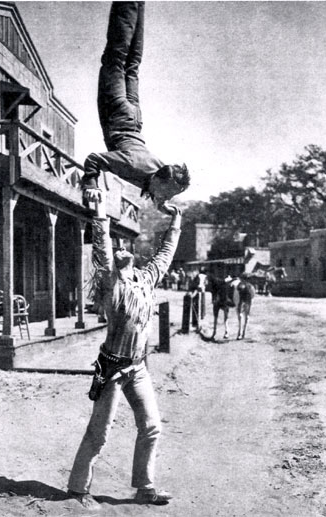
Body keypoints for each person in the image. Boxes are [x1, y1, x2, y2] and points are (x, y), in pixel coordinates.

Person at [67, 191, 182, 510]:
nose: (122, 252)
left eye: (125, 251)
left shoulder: (146, 281)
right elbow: (102, 251)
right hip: (112, 369)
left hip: (138, 368)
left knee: (152, 426)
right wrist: (100, 212)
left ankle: (145, 488)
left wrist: (176, 224)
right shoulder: (115, 290)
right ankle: (78, 489)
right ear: (118, 268)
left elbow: (165, 255)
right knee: (100, 433)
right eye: (118, 255)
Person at [82, 1, 190, 208]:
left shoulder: (159, 170)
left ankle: (138, 3)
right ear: (159, 180)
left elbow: (154, 182)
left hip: (134, 118)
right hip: (117, 113)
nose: (165, 198)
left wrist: (161, 203)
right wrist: (91, 184)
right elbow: (94, 159)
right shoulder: (133, 166)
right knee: (115, 58)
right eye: (166, 194)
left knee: (132, 64)